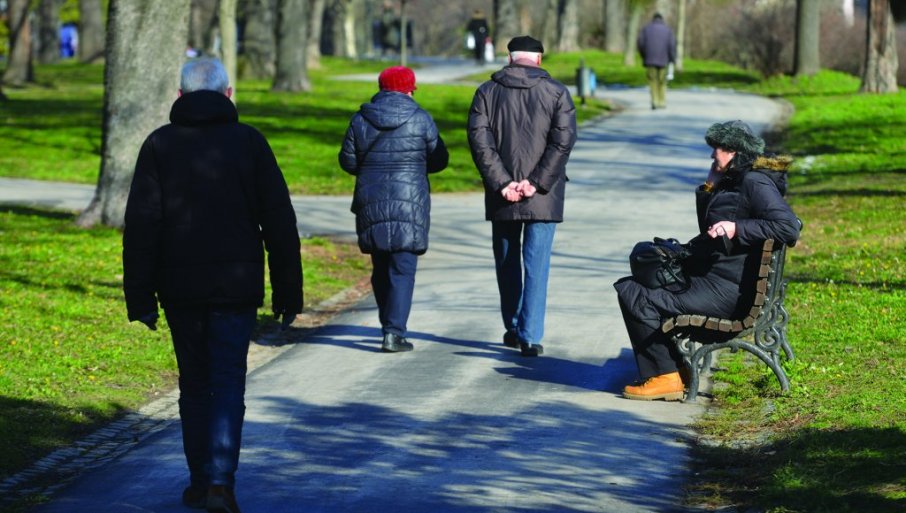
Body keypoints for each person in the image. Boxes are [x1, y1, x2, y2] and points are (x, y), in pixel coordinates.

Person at [123, 57, 303, 513]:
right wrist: (287, 291)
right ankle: (221, 482)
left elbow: (142, 226)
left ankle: (201, 479)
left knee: (194, 383)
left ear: (180, 97)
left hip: (179, 286)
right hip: (236, 283)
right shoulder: (249, 142)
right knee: (227, 382)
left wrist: (140, 297)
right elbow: (279, 221)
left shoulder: (159, 144)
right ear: (228, 94)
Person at [613, 120, 800, 401]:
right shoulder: (738, 179)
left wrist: (737, 228)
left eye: (720, 149)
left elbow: (789, 227)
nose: (714, 154)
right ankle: (674, 369)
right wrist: (709, 188)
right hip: (720, 282)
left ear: (736, 152)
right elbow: (710, 230)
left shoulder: (753, 181)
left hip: (727, 294)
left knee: (634, 293)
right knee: (641, 281)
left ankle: (665, 376)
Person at [467, 35, 577, 357]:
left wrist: (502, 182)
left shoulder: (486, 92)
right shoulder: (557, 92)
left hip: (501, 193)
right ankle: (531, 336)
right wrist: (535, 183)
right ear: (539, 59)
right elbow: (563, 143)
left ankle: (513, 327)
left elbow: (479, 141)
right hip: (544, 194)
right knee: (537, 264)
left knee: (506, 261)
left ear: (510, 57)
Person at [339, 66, 448, 353]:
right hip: (409, 200)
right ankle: (393, 331)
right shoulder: (421, 118)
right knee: (403, 267)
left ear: (381, 87)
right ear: (410, 89)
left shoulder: (360, 119)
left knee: (380, 265)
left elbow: (348, 162)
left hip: (371, 199)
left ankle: (388, 322)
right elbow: (439, 159)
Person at [637, 13, 676, 110]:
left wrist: (644, 56)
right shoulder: (668, 30)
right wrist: (672, 59)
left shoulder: (646, 29)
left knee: (652, 81)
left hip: (650, 60)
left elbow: (640, 44)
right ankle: (662, 101)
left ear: (653, 19)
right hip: (663, 60)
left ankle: (654, 101)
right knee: (662, 81)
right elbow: (672, 46)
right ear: (662, 19)